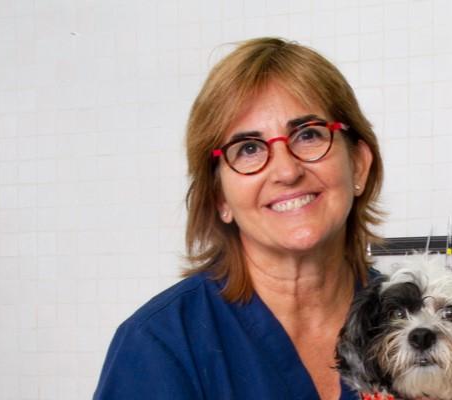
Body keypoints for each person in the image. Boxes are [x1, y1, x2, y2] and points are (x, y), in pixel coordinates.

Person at [93, 37, 384, 400]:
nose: (286, 171)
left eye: (308, 134)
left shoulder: (420, 324)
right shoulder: (160, 346)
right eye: (248, 148)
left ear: (358, 164)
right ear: (219, 196)